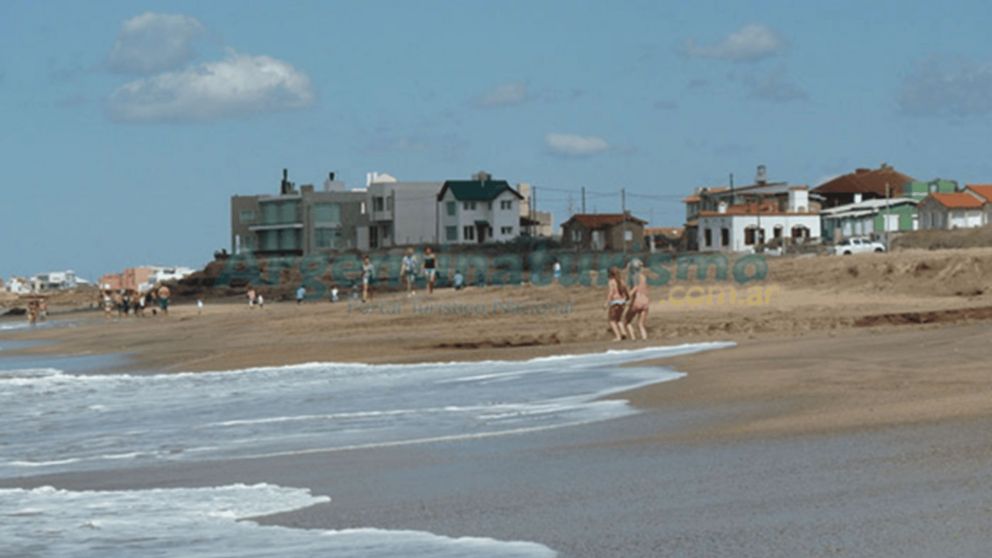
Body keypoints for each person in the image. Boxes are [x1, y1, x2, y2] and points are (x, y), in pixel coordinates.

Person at [624, 259, 650, 340]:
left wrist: (627, 297)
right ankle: (644, 338)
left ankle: (633, 338)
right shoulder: (643, 277)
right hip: (645, 301)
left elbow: (635, 288)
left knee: (627, 321)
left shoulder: (634, 276)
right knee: (641, 324)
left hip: (637, 301)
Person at [605, 267, 629, 341]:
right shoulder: (621, 281)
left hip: (615, 302)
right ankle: (623, 332)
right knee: (618, 319)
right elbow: (626, 290)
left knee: (611, 320)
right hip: (622, 302)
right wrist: (627, 298)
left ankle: (618, 336)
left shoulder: (611, 281)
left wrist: (607, 302)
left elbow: (611, 292)